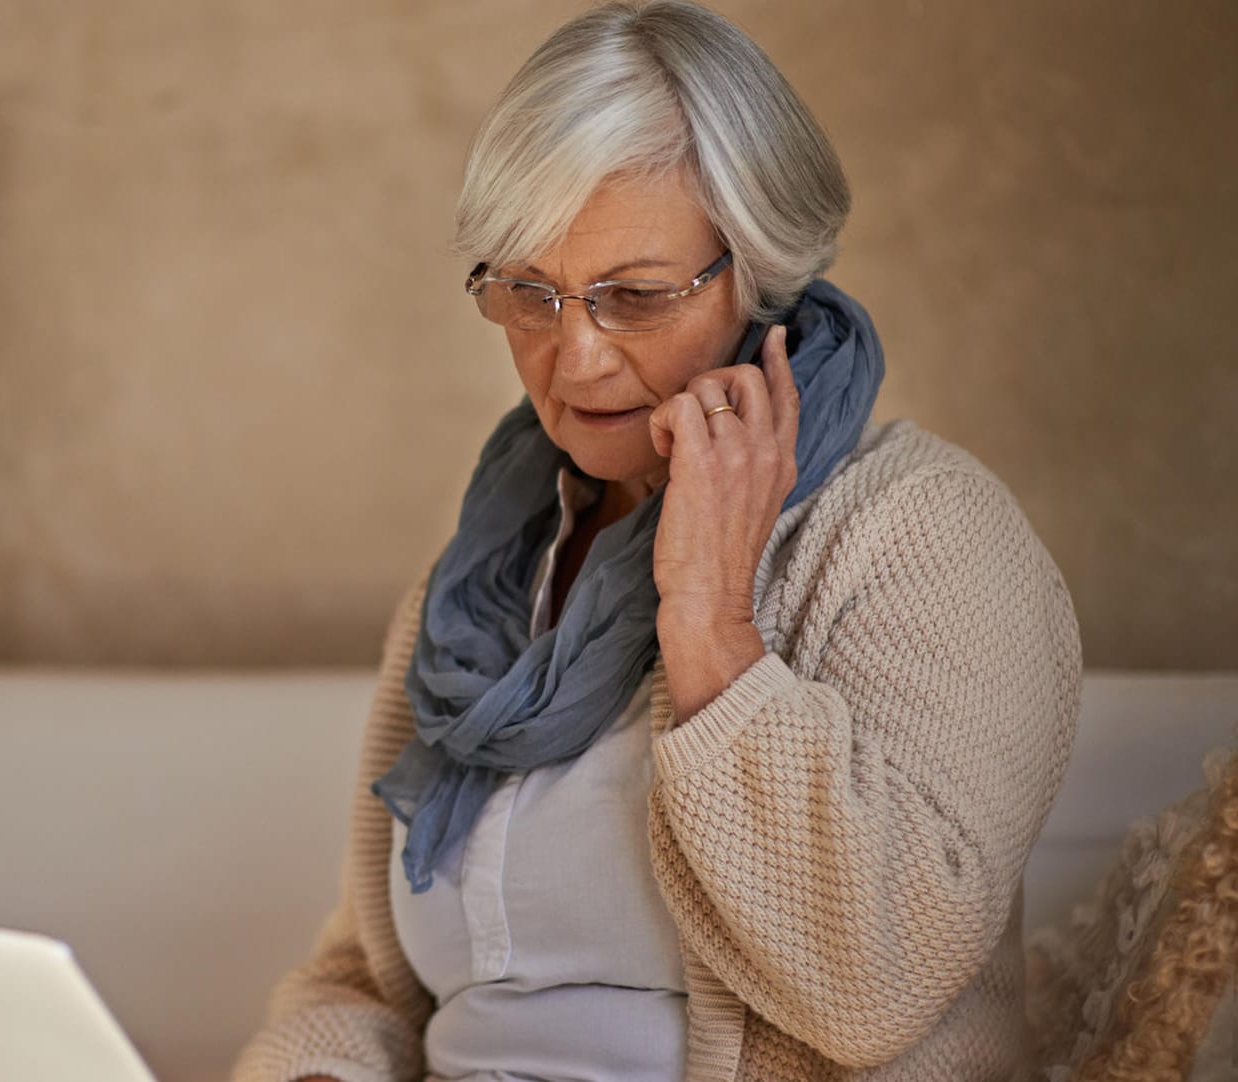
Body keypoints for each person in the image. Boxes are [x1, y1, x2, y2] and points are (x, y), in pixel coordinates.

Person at [226, 2, 1084, 1080]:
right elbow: (367, 978)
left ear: (759, 275)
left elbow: (879, 985)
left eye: (633, 296)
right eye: (528, 291)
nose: (571, 358)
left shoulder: (924, 538)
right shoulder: (483, 581)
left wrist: (712, 620)